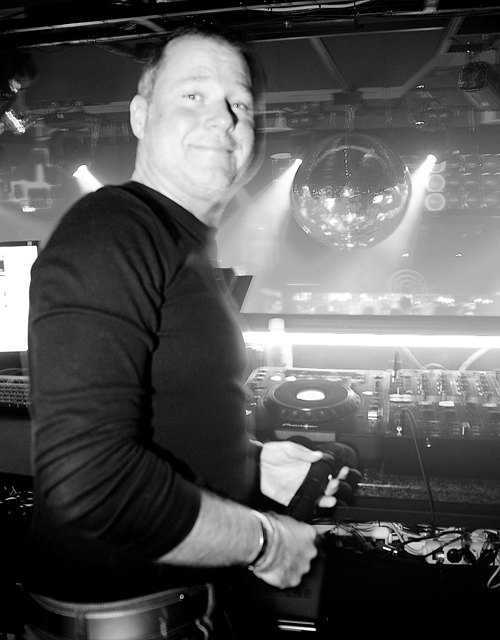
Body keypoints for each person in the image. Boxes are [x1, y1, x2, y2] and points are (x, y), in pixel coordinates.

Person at [24, 24, 356, 640]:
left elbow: (166, 418)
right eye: (193, 95)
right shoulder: (113, 230)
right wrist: (264, 541)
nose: (223, 118)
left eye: (239, 104)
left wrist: (249, 465)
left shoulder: (176, 243)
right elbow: (91, 482)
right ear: (140, 116)